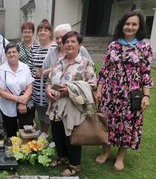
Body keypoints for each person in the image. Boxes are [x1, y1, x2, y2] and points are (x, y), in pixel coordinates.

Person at [95, 10, 153, 171]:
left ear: (139, 26)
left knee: (127, 126)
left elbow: (146, 73)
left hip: (131, 96)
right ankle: (106, 152)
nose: (130, 27)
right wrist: (99, 90)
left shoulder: (144, 47)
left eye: (134, 24)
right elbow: (104, 70)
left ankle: (120, 157)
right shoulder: (113, 45)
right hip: (110, 94)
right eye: (127, 23)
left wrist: (146, 95)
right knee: (106, 123)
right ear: (122, 25)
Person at [46, 31, 97, 176]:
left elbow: (92, 85)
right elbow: (50, 80)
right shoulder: (58, 63)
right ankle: (62, 158)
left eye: (73, 41)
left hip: (74, 108)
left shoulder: (85, 64)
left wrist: (70, 91)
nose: (69, 44)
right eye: (66, 41)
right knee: (57, 134)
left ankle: (74, 165)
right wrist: (48, 89)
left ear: (79, 44)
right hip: (56, 106)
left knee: (72, 137)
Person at [0, 43, 34, 137]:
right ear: (6, 55)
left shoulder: (25, 67)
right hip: (7, 107)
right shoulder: (1, 69)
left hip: (25, 106)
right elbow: (1, 92)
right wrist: (18, 99)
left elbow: (29, 87)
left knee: (26, 134)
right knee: (11, 135)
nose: (12, 54)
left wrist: (23, 102)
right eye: (9, 52)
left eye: (14, 52)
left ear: (18, 53)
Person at [29, 19, 56, 137]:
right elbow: (30, 65)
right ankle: (43, 131)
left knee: (50, 109)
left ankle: (49, 133)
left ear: (50, 33)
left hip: (49, 85)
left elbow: (59, 65)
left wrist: (45, 72)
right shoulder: (34, 48)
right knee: (40, 110)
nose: (43, 32)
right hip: (36, 86)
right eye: (40, 30)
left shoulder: (55, 47)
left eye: (46, 30)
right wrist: (33, 72)